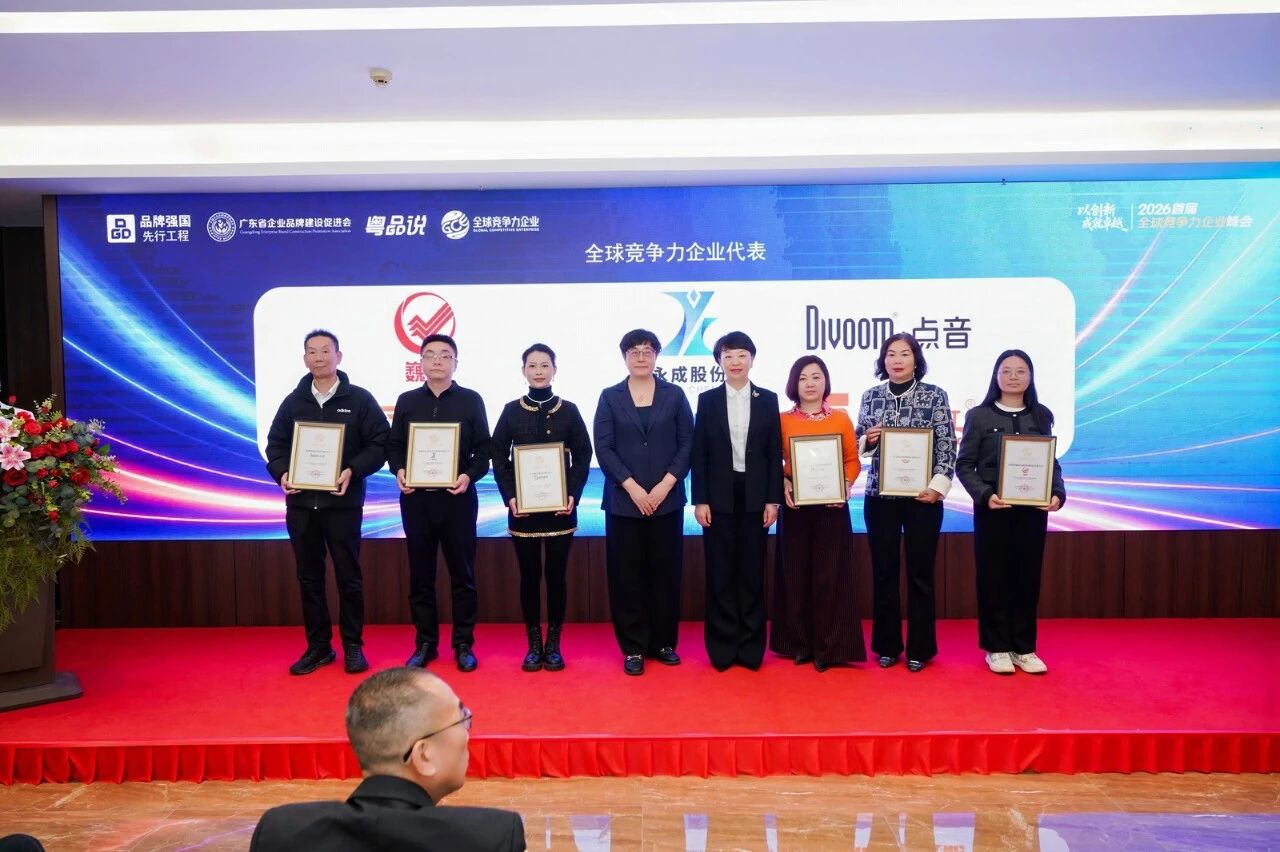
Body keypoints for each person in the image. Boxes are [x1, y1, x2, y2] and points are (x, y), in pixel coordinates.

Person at [250, 668, 526, 851]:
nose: (467, 736)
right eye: (461, 720)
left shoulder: (281, 830)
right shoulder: (489, 838)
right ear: (423, 755)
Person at [265, 330, 389, 676]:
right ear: (305, 358)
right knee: (309, 578)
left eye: (325, 351)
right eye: (312, 352)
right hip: (302, 506)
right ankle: (318, 647)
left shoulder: (359, 399)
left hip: (342, 505)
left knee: (349, 577)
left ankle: (353, 646)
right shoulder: (293, 402)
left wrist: (352, 470)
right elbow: (275, 445)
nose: (319, 357)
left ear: (339, 356)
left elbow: (380, 443)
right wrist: (282, 473)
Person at [956, 349, 1066, 675]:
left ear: (1030, 376)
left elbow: (1051, 462)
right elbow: (965, 465)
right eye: (1006, 371)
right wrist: (984, 495)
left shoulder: (1041, 415)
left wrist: (1057, 493)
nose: (1013, 377)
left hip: (1032, 510)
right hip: (993, 508)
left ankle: (1024, 648)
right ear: (996, 376)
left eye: (1020, 371)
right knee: (993, 576)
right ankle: (997, 647)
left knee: (1027, 577)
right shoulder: (979, 416)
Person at [593, 328, 694, 676]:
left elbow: (687, 443)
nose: (641, 357)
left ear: (656, 356)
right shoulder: (610, 397)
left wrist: (666, 485)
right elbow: (604, 447)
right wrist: (632, 487)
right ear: (624, 357)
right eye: (634, 351)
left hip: (667, 500)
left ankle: (664, 643)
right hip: (624, 503)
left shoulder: (674, 394)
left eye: (647, 351)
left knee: (665, 573)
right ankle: (633, 647)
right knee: (627, 576)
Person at [388, 334, 491, 673]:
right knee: (421, 576)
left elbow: (484, 449)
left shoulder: (471, 400)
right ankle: (425, 643)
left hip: (457, 499)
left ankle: (463, 644)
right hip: (416, 501)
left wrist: (469, 476)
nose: (437, 361)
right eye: (430, 355)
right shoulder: (407, 401)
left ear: (455, 363)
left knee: (463, 575)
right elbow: (394, 445)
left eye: (445, 355)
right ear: (420, 362)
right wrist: (399, 469)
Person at [857, 332, 956, 673]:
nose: (897, 360)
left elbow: (947, 445)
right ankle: (887, 645)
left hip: (923, 498)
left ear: (916, 359)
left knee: (920, 573)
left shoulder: (935, 395)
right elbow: (859, 443)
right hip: (879, 497)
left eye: (904, 353)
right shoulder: (871, 396)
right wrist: (868, 440)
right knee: (884, 572)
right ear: (883, 360)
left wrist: (938, 487)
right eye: (890, 354)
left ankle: (920, 648)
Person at [491, 343, 592, 672]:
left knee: (557, 576)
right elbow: (498, 456)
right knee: (529, 576)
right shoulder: (511, 410)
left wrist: (573, 493)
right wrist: (510, 496)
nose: (538, 371)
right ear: (523, 371)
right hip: (523, 510)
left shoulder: (569, 410)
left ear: (554, 370)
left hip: (561, 509)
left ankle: (554, 642)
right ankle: (534, 642)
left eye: (544, 365)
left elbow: (584, 454)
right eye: (532, 365)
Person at [691, 331, 782, 671]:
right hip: (718, 496)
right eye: (727, 356)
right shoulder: (708, 400)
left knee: (752, 572)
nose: (735, 362)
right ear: (719, 362)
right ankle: (722, 647)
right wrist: (700, 499)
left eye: (741, 355)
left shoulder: (767, 399)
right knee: (721, 572)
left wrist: (773, 499)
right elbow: (699, 453)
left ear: (752, 359)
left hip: (756, 495)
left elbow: (773, 452)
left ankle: (750, 648)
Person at [769, 355, 865, 671]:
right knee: (795, 575)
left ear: (826, 381)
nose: (810, 384)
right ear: (793, 384)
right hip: (795, 504)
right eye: (803, 378)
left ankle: (829, 647)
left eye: (816, 377)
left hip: (831, 506)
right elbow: (771, 461)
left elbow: (852, 461)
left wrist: (845, 485)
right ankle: (798, 644)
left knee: (830, 576)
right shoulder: (781, 420)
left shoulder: (840, 418)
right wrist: (783, 482)